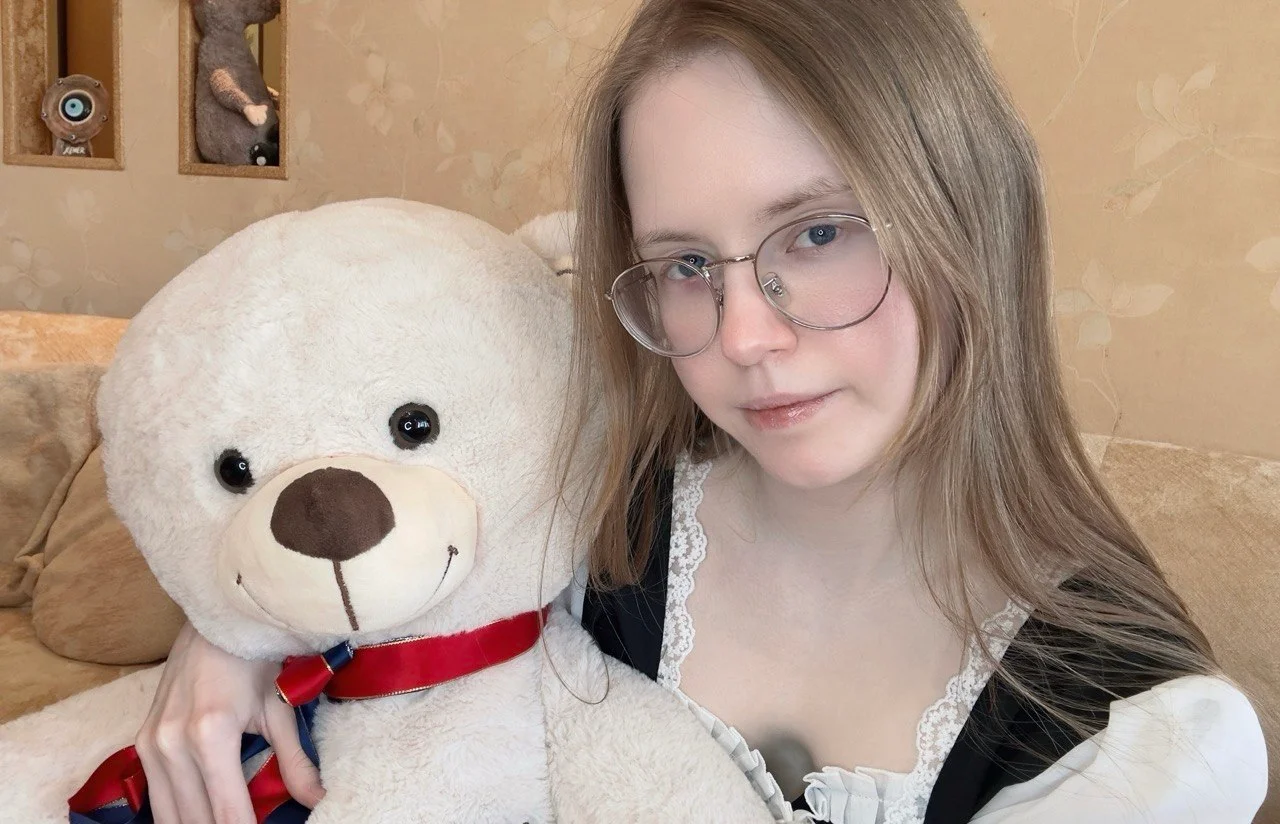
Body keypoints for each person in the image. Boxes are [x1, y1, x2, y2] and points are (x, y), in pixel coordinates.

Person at [132, 1, 1269, 822]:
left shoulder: (1130, 736)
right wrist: (235, 636)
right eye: (684, 262)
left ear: (968, 216)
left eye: (817, 233)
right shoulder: (587, 513)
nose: (743, 336)